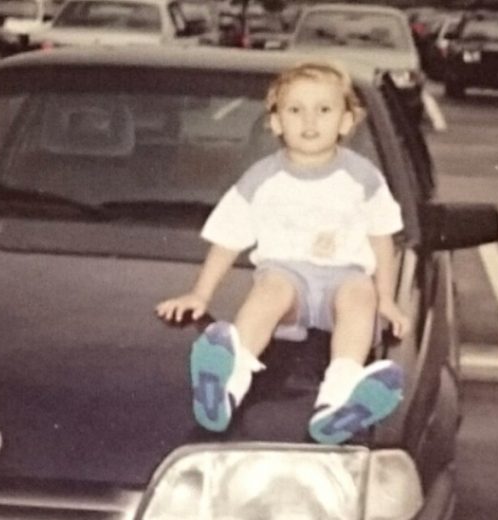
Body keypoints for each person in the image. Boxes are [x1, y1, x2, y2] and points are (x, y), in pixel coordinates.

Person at [155, 61, 410, 445]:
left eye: (323, 109)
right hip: (289, 281)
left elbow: (381, 238)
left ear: (346, 121)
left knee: (361, 293)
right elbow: (228, 239)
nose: (309, 120)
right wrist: (200, 294)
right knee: (270, 288)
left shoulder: (363, 177)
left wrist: (386, 300)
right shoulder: (261, 179)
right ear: (276, 122)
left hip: (344, 281)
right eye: (295, 110)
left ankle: (338, 396)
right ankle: (228, 383)